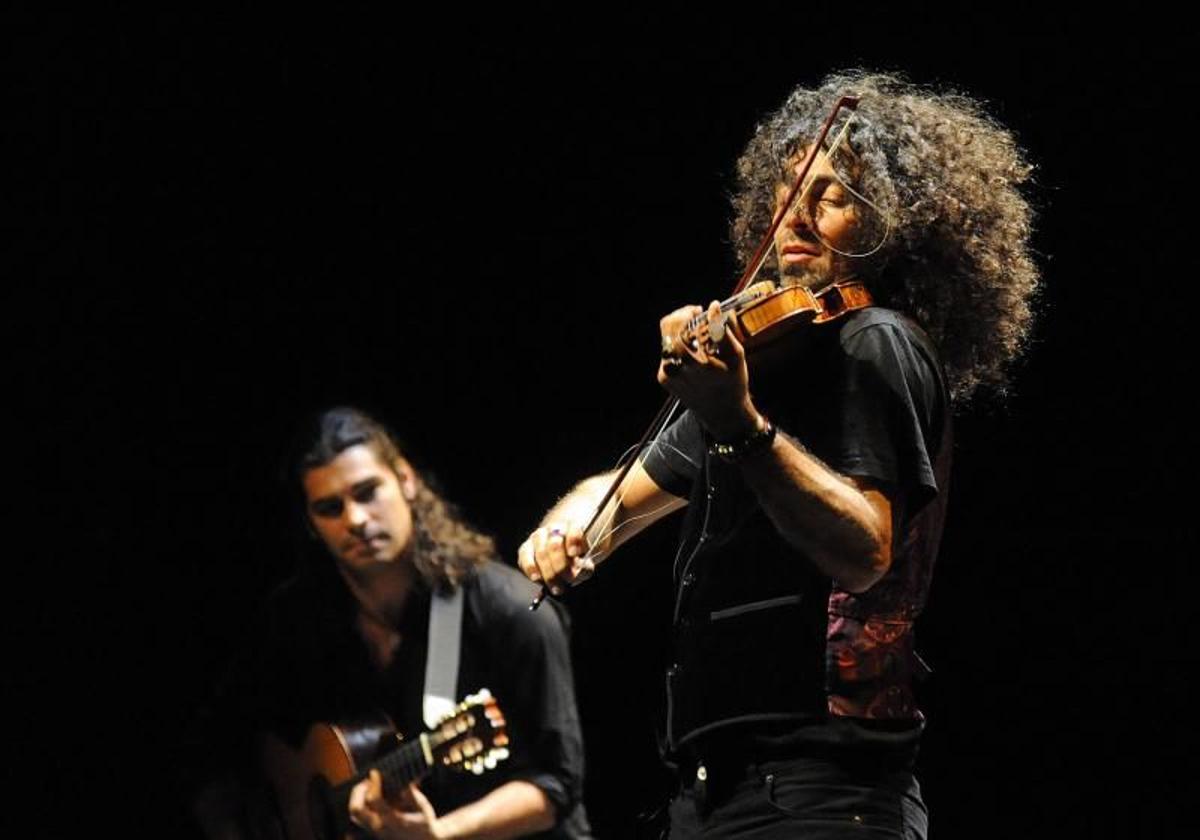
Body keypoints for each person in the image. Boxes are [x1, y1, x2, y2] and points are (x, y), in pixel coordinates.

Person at [518, 71, 1038, 838]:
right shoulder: (770, 366)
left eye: (830, 196)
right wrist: (566, 534)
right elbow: (622, 492)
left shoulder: (875, 343)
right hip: (723, 790)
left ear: (893, 224)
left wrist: (740, 423)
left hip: (824, 790)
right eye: (787, 190)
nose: (794, 213)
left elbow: (865, 552)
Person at [192, 407, 592, 839]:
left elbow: (557, 783)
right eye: (330, 508)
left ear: (406, 480)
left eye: (367, 492)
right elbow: (213, 748)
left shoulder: (511, 610)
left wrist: (439, 835)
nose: (356, 520)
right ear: (310, 522)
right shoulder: (294, 618)